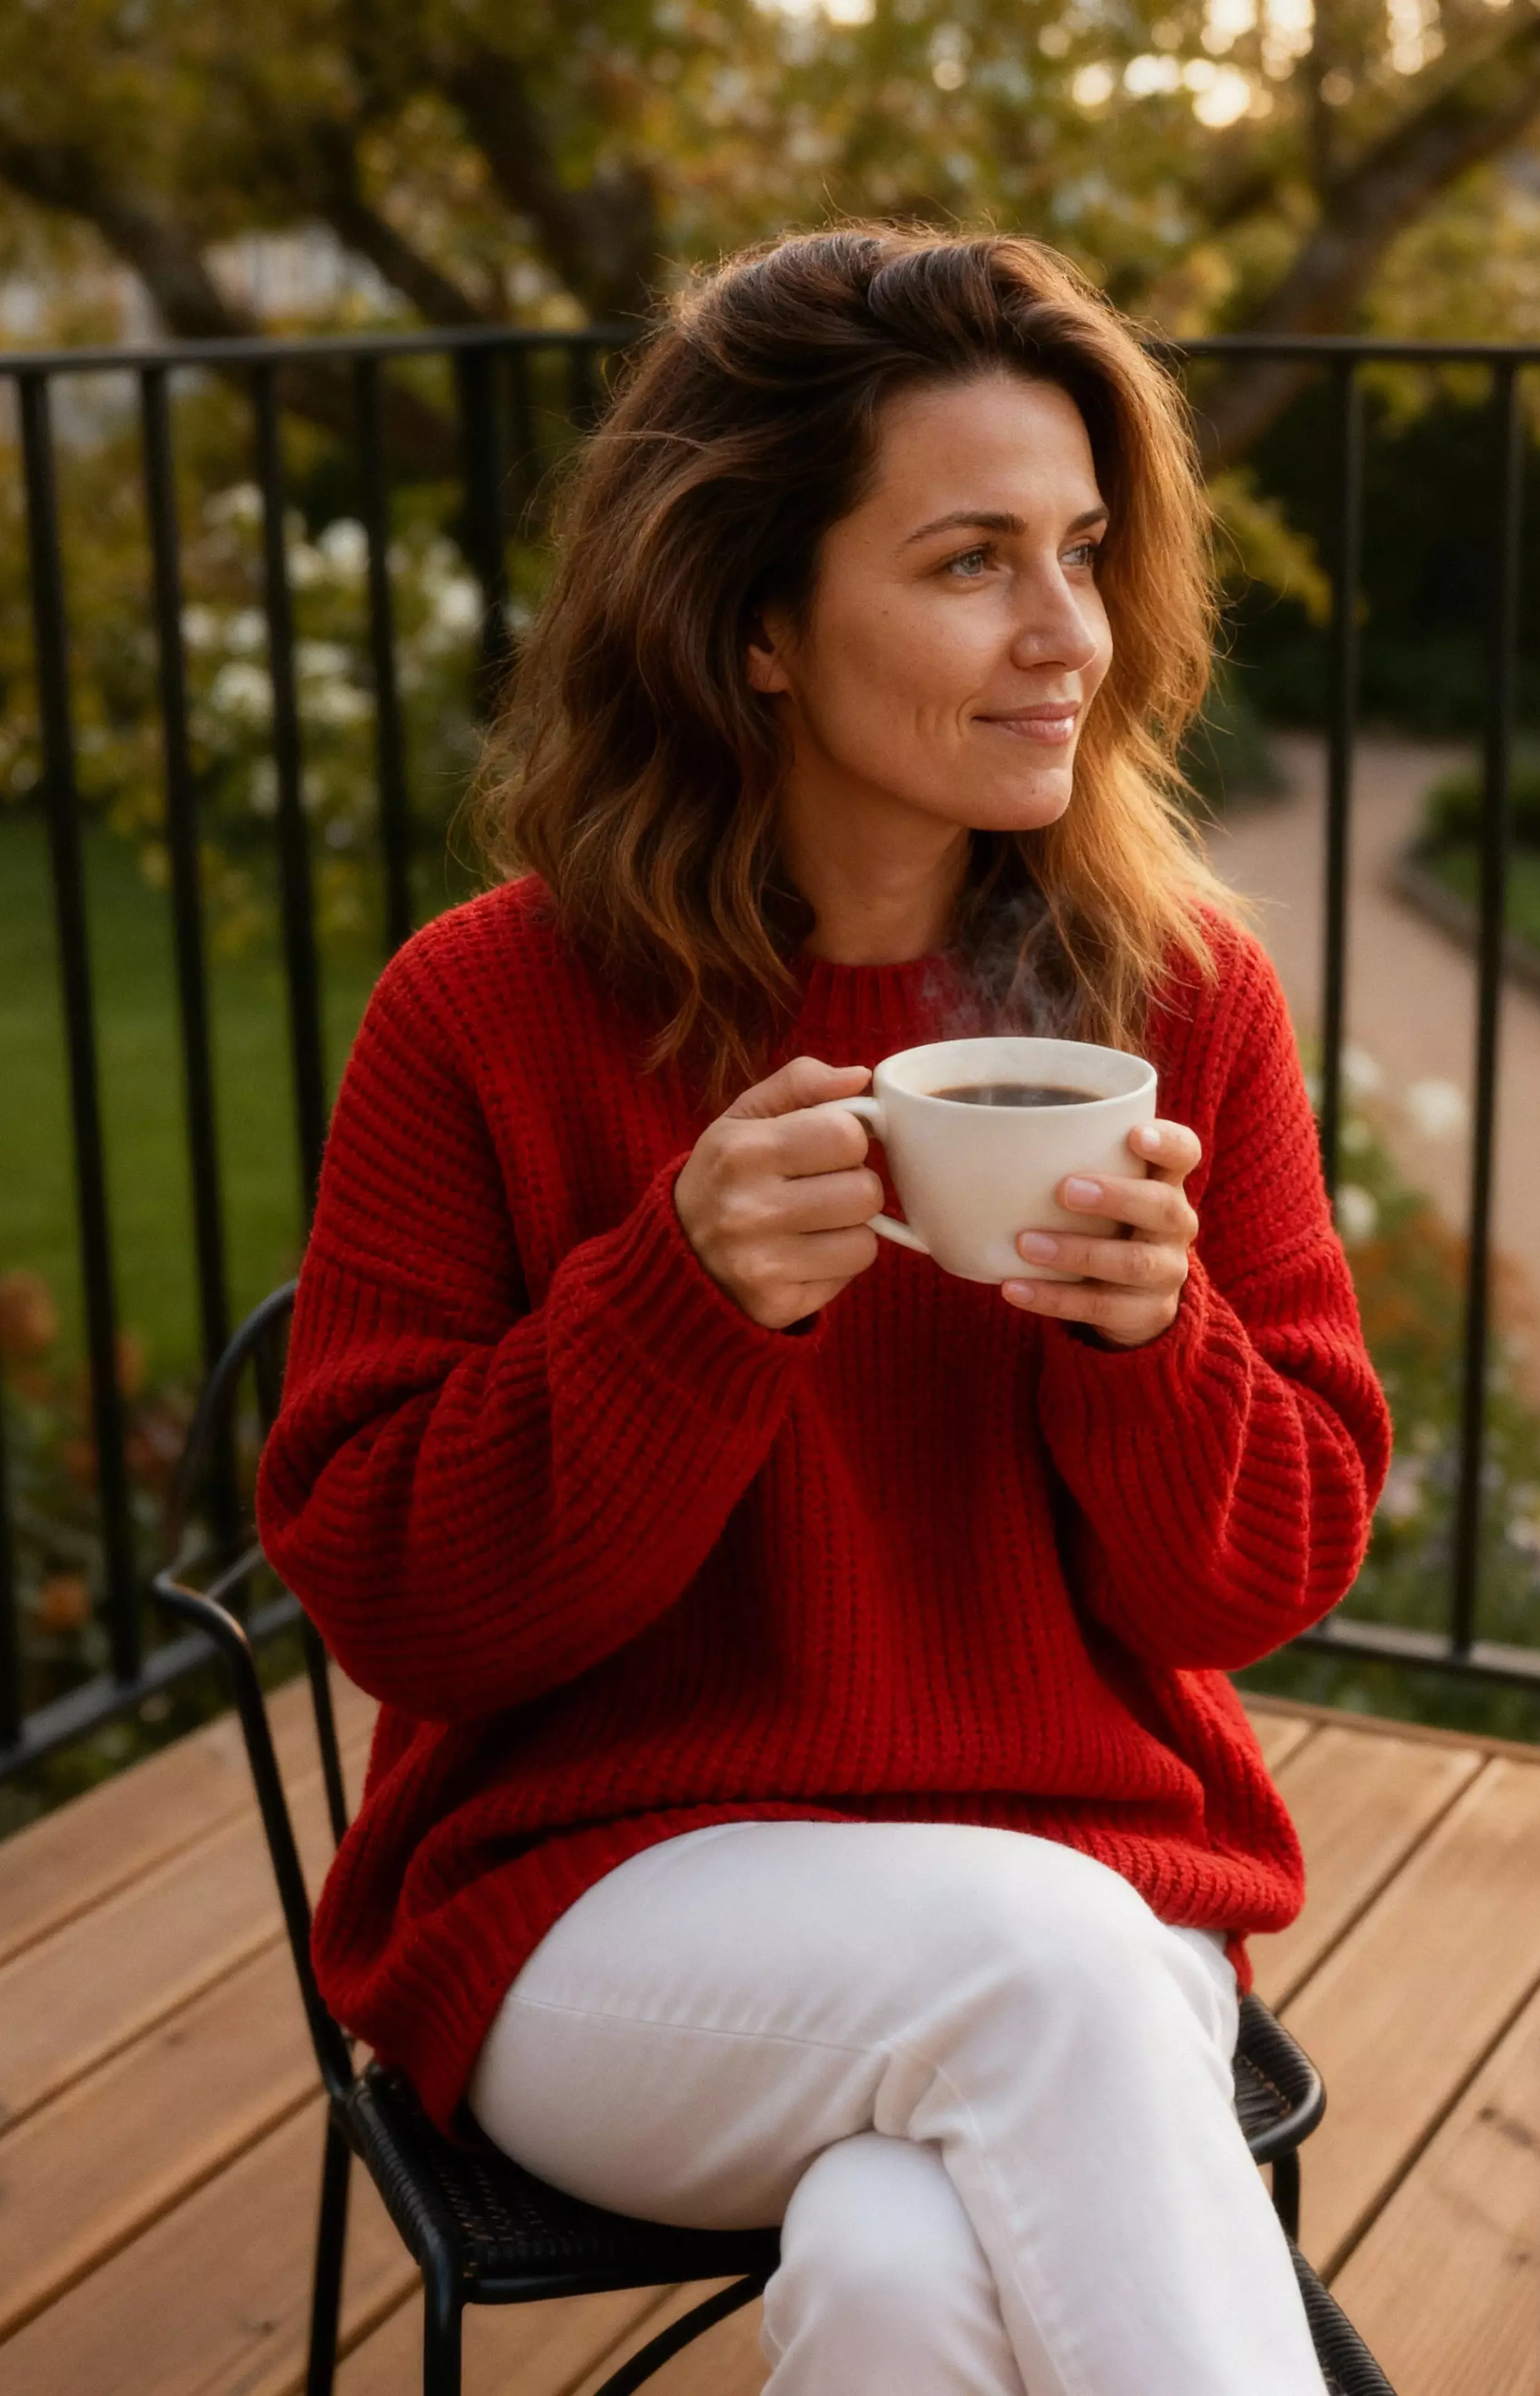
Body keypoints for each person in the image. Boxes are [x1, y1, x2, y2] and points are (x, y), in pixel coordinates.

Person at [257, 223, 1391, 2396]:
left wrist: (1164, 1354)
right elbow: (397, 1604)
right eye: (972, 561)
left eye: (1082, 551)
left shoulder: (1178, 998)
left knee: (892, 2271)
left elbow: (1261, 1577)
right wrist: (670, 1311)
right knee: (1036, 1973)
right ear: (759, 624)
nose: (1071, 634)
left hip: (1086, 1874)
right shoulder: (487, 1011)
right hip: (604, 1909)